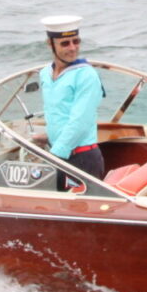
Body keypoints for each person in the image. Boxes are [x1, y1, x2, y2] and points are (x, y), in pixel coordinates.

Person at [36, 14, 105, 189]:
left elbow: (80, 121)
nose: (73, 48)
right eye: (65, 43)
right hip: (59, 155)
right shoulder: (45, 73)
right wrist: (47, 136)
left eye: (76, 41)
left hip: (82, 160)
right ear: (50, 44)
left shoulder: (86, 75)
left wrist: (54, 155)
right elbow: (57, 114)